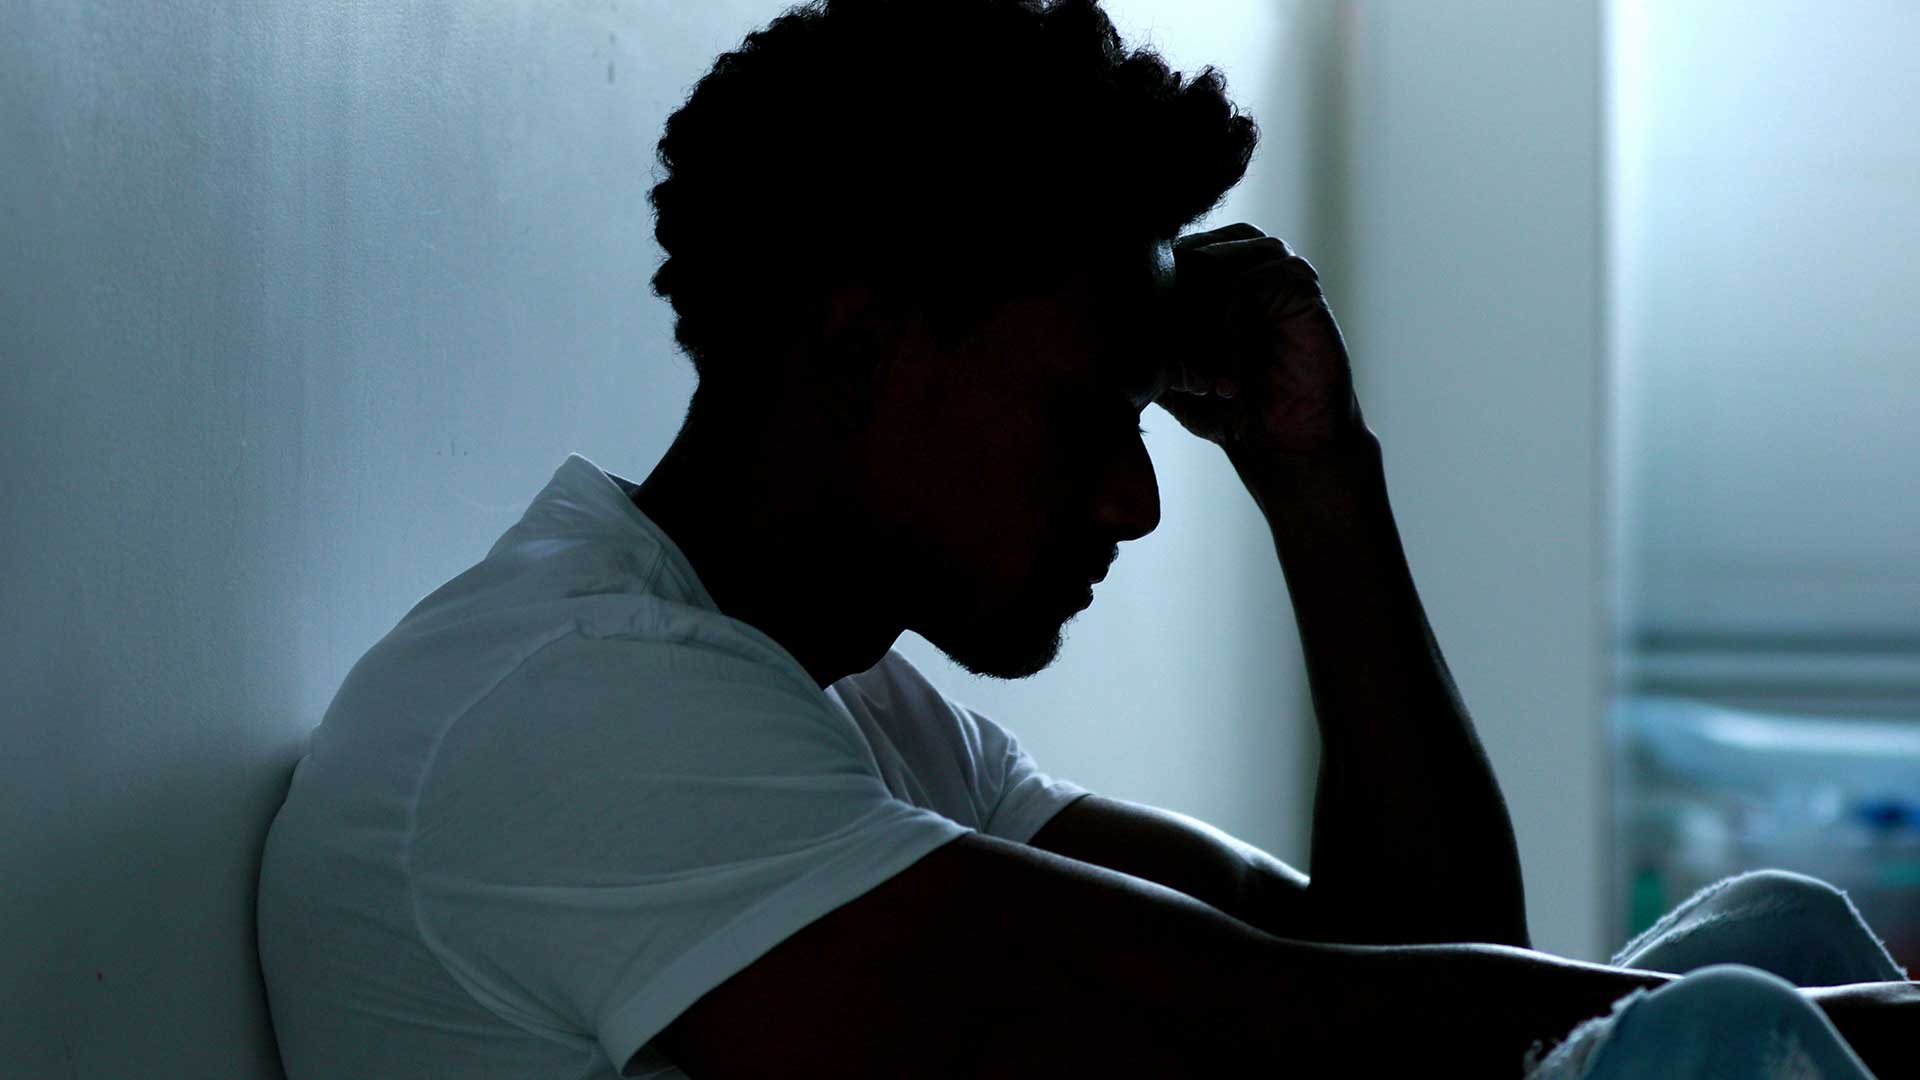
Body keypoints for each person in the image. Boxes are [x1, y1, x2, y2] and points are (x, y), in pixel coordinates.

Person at [254, 1, 1919, 1076]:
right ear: (857, 355)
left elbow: (1393, 958)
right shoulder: (584, 706)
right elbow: (1319, 1035)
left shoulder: (843, 702)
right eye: (1086, 417)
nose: (1131, 500)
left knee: (1755, 937)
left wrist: (1320, 486)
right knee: (1724, 1039)